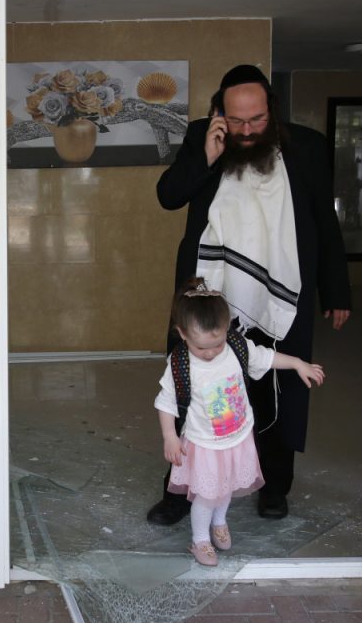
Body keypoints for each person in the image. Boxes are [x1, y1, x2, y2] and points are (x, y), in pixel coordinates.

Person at [147, 64, 351, 525]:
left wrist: (336, 290)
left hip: (284, 290)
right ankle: (180, 492)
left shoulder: (308, 147)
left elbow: (324, 223)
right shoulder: (206, 136)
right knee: (192, 387)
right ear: (220, 113)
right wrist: (206, 155)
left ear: (271, 112)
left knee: (279, 389)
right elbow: (168, 195)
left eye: (255, 121)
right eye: (236, 121)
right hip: (208, 295)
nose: (245, 130)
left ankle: (275, 487)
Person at [156, 279, 326, 566]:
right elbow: (166, 402)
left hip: (238, 437)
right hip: (205, 444)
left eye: (217, 343)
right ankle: (199, 540)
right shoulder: (180, 363)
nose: (210, 352)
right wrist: (170, 437)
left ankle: (219, 522)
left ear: (227, 329)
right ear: (182, 333)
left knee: (227, 488)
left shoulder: (236, 347)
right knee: (207, 496)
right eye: (201, 347)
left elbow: (266, 357)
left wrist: (298, 363)